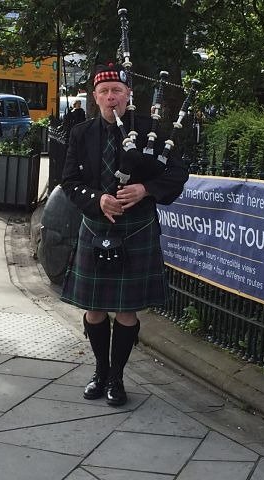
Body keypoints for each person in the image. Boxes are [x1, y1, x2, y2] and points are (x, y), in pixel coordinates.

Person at [60, 64, 189, 406]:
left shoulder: (150, 132)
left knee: (127, 310)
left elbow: (177, 174)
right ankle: (100, 371)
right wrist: (97, 199)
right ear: (94, 97)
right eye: (104, 92)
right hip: (96, 224)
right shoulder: (81, 133)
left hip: (137, 228)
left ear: (129, 94)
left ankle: (117, 378)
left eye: (117, 90)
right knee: (94, 309)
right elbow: (69, 181)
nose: (110, 97)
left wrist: (145, 189)